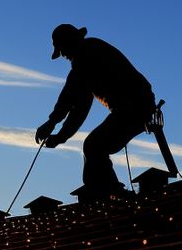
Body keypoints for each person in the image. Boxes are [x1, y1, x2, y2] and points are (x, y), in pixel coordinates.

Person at [35, 24, 156, 199]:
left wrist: (53, 124)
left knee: (93, 146)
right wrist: (60, 134)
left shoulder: (87, 54)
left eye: (62, 49)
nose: (63, 55)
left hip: (135, 106)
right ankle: (105, 190)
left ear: (69, 44)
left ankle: (108, 193)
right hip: (136, 105)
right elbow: (79, 106)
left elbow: (72, 99)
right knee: (94, 146)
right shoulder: (87, 56)